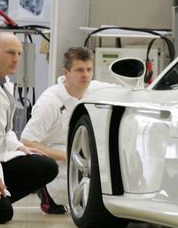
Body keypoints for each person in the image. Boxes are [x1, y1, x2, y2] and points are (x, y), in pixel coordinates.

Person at [0, 32, 58, 223]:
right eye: (10, 53)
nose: (16, 59)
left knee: (47, 166)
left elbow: (5, 130)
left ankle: (0, 196)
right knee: (1, 214)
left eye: (19, 53)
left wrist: (19, 147)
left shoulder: (5, 83)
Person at [21, 46, 111, 214]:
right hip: (57, 157)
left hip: (83, 153)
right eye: (79, 70)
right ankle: (46, 192)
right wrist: (66, 156)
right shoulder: (50, 102)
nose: (85, 75)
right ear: (66, 72)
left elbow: (126, 91)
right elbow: (26, 141)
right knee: (66, 192)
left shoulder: (96, 90)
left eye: (89, 69)